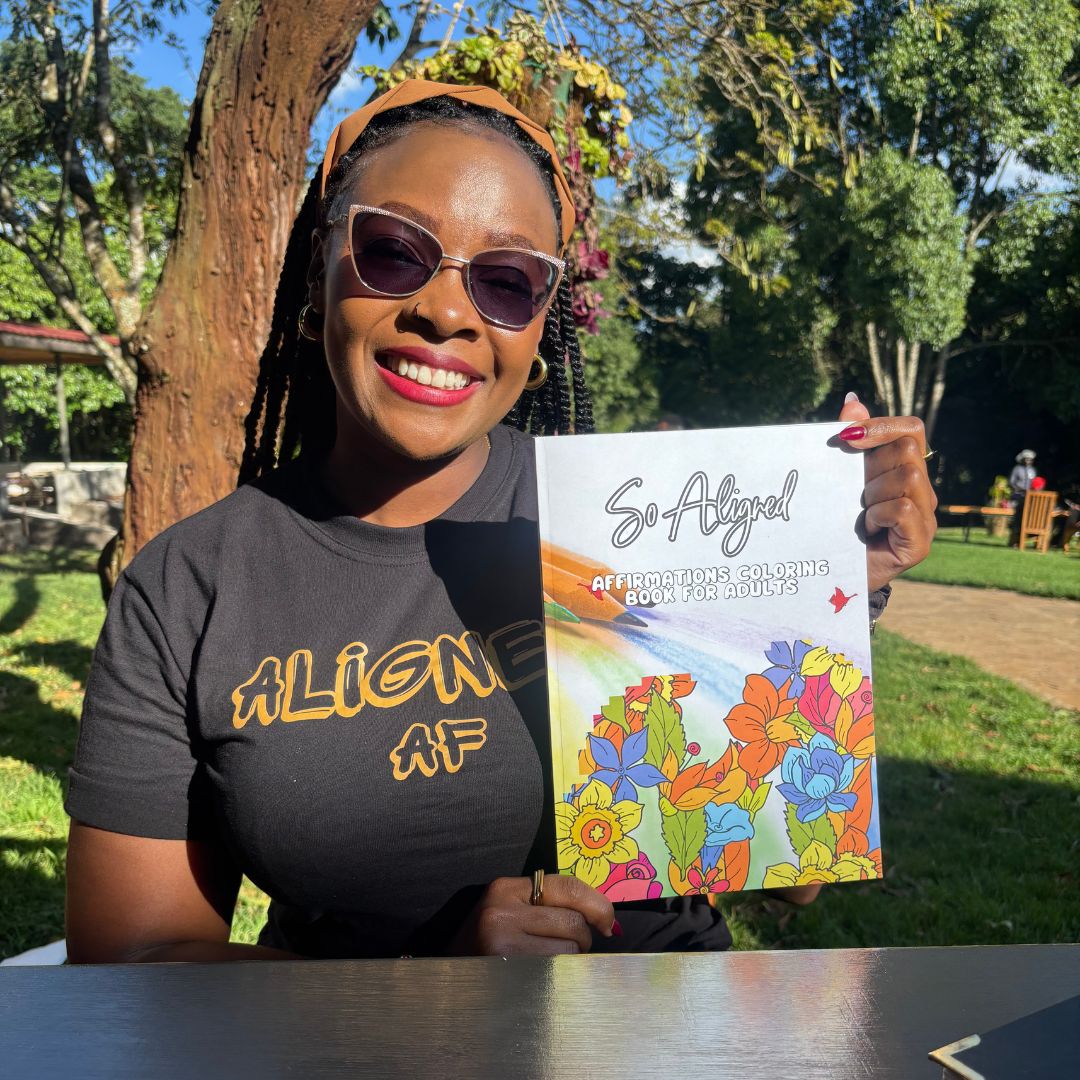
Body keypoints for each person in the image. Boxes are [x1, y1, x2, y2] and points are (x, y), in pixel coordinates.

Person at [64, 81, 938, 963]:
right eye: (393, 251)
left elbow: (790, 870)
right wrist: (426, 992)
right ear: (321, 269)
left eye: (507, 281)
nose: (446, 312)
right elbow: (131, 960)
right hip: (351, 1040)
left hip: (676, 1021)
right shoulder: (190, 587)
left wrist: (827, 592)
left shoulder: (637, 522)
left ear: (540, 323)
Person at [1008, 449, 1037, 546]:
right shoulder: (1017, 469)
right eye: (1026, 459)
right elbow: (1011, 483)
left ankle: (1031, 535)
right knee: (1019, 515)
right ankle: (1016, 538)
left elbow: (1035, 483)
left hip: (1030, 497)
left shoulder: (1032, 470)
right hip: (1018, 496)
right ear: (1022, 459)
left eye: (1030, 459)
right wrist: (1021, 490)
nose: (1028, 461)